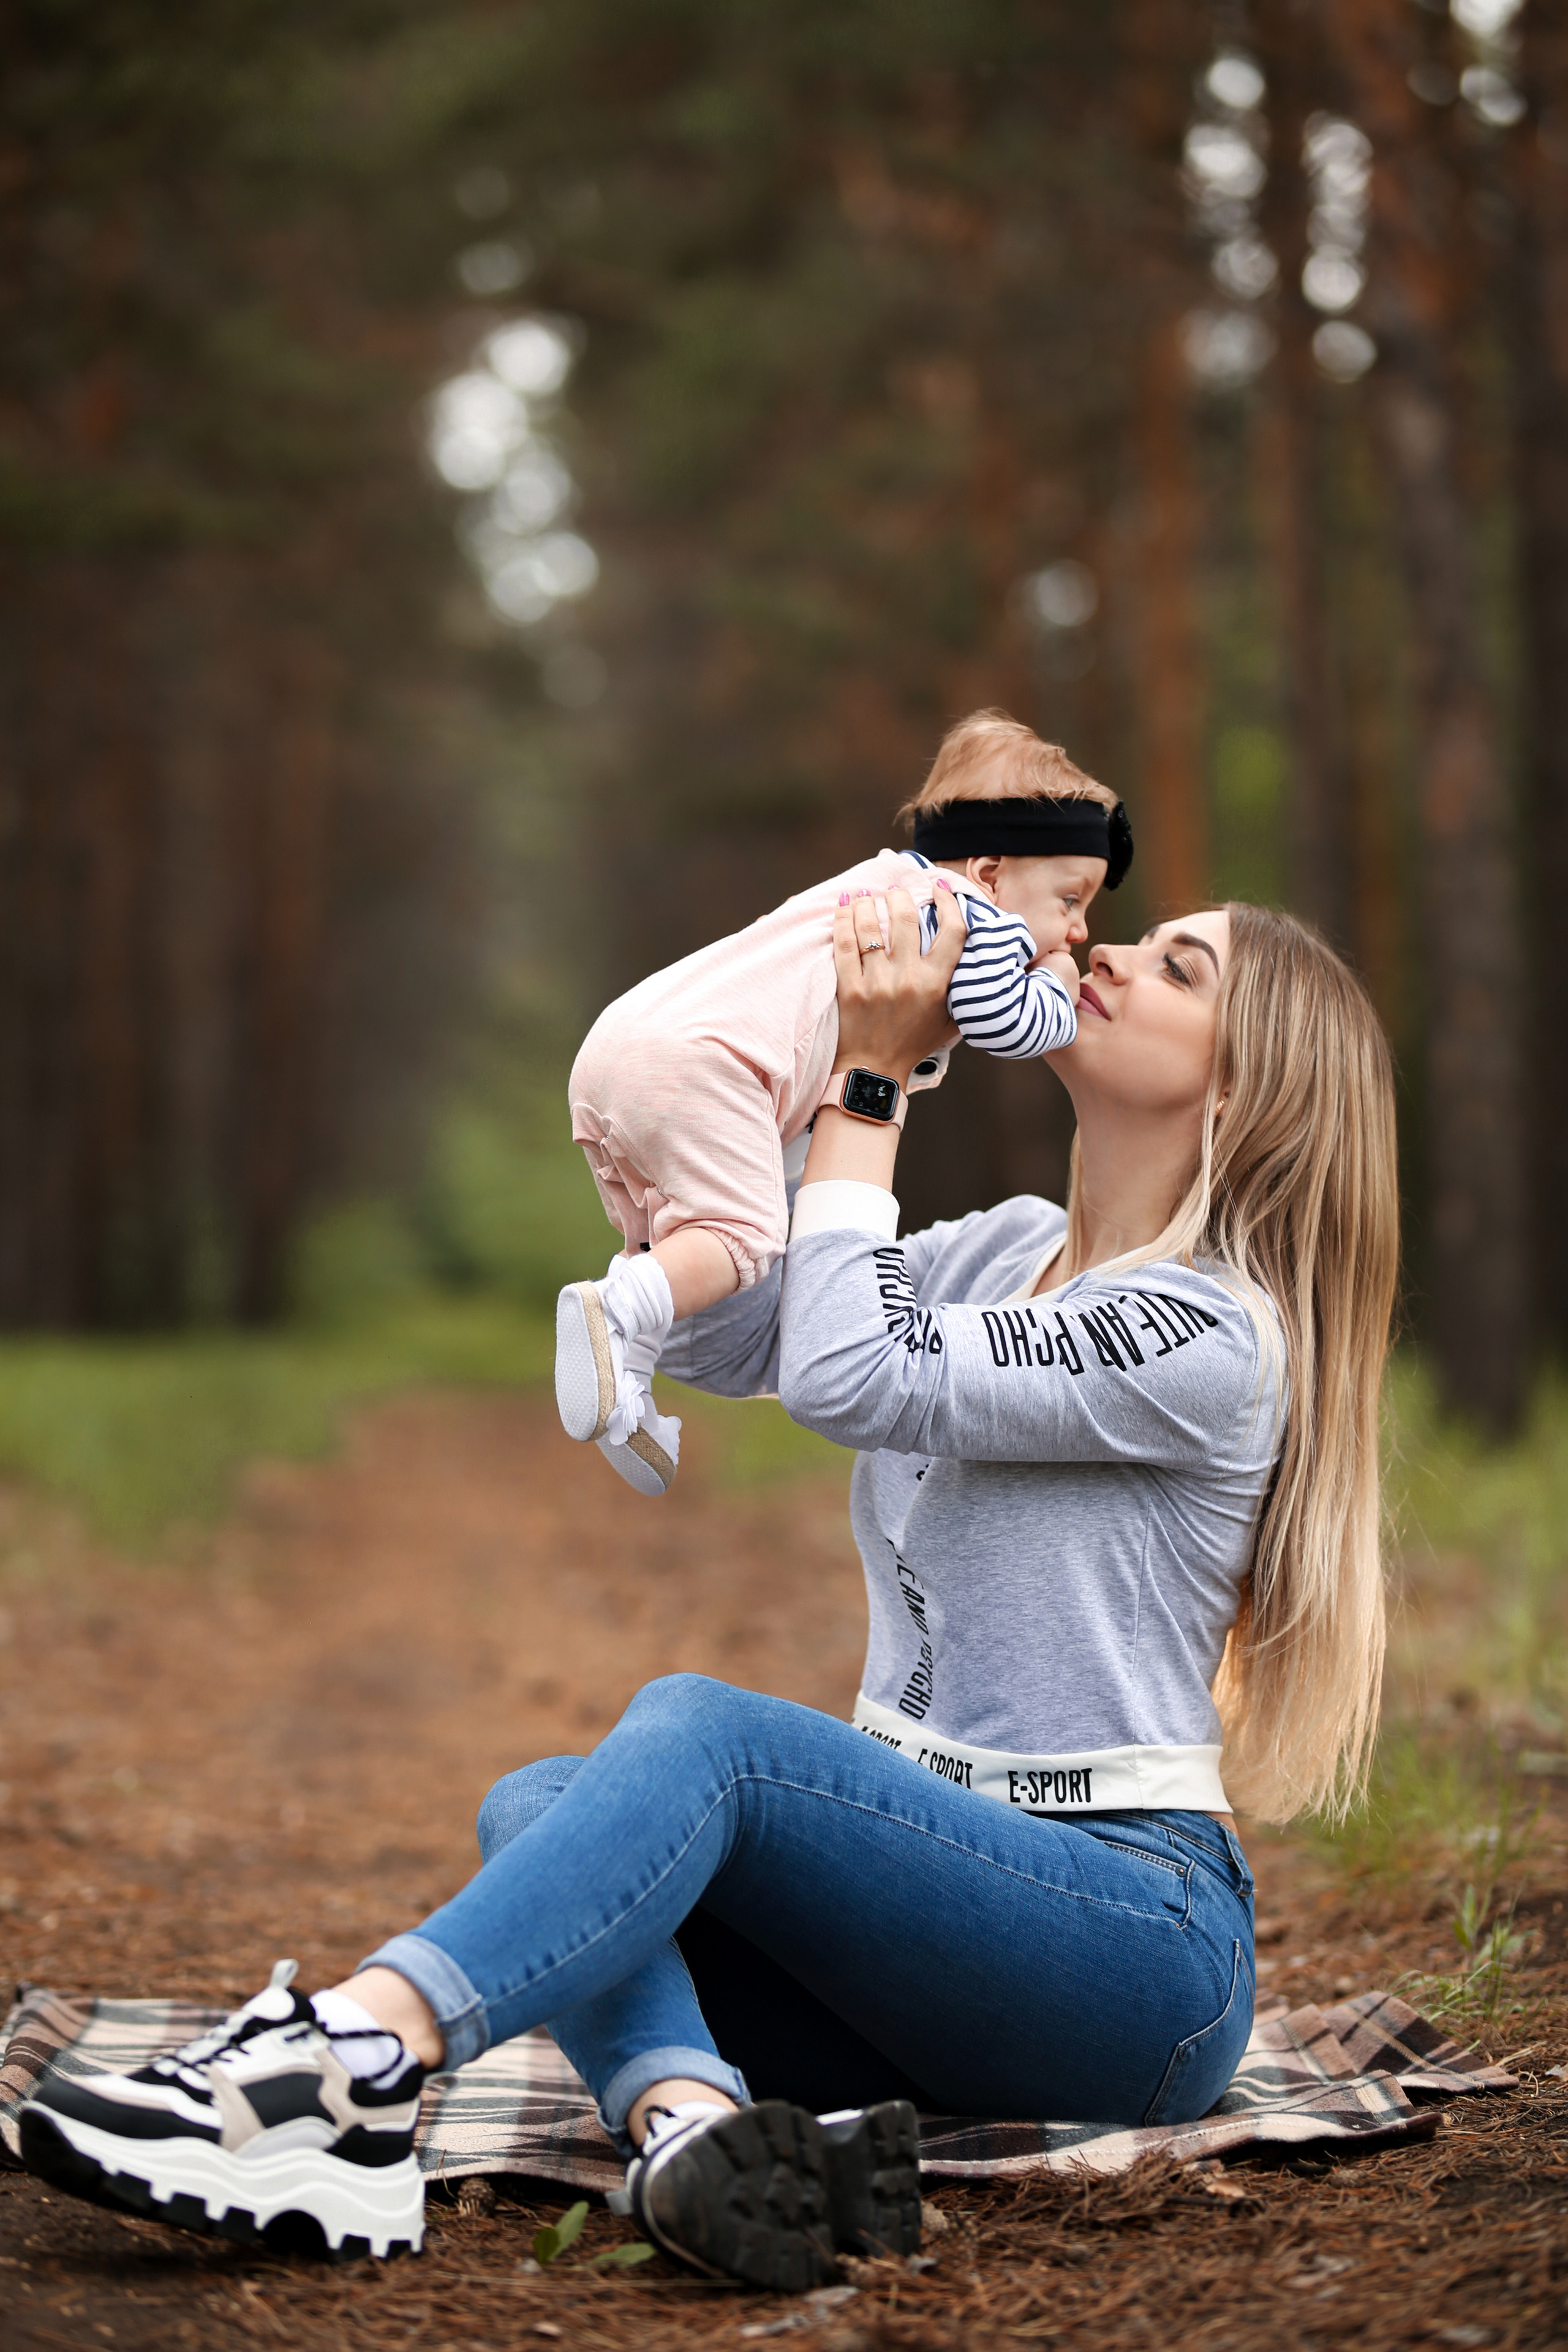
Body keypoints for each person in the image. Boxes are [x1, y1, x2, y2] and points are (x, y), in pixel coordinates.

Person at [20, 882, 1398, 2295]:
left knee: (701, 1732)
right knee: (546, 1804)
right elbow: (746, 1331)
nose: (1105, 949)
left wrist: (868, 1088)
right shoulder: (1002, 1247)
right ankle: (695, 2137)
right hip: (931, 1928)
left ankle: (345, 2062)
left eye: (1177, 968)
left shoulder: (1203, 1331)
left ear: (1244, 1091)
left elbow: (851, 1371)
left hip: (1122, 1950)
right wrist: (720, 1090)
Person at [554, 711, 1133, 1494]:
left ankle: (622, 1379)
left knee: (669, 1234)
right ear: (990, 870)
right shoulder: (968, 914)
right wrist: (1058, 987)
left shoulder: (883, 883)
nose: (1079, 927)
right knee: (742, 1235)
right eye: (1069, 898)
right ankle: (620, 1311)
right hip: (710, 1068)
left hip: (623, 1048)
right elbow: (1009, 1023)